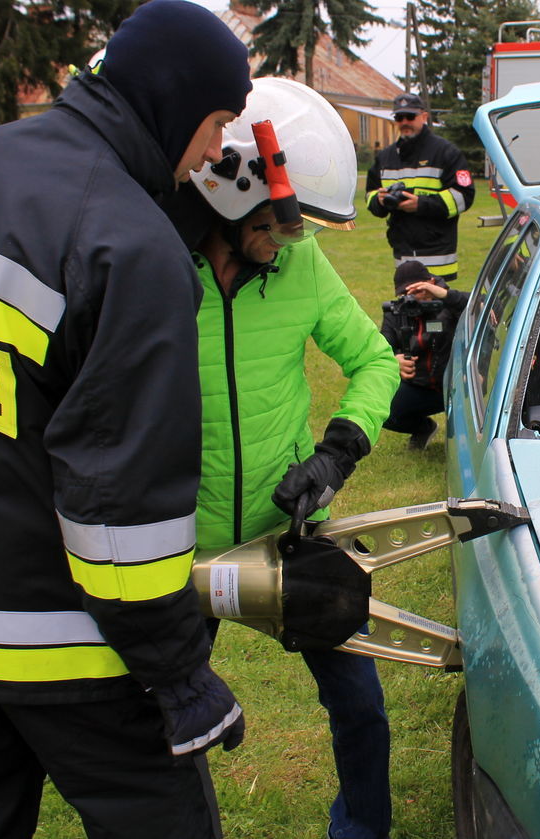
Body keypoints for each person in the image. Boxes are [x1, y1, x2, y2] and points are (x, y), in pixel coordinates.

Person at [0, 1, 253, 836]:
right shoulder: (129, 243)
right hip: (56, 641)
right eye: (218, 121)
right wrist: (180, 675)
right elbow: (122, 515)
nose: (219, 149)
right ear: (176, 102)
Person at [186, 77, 399, 839]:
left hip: (289, 530)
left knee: (362, 705)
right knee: (163, 723)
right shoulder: (154, 269)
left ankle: (363, 829)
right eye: (284, 225)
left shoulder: (297, 267)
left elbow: (376, 361)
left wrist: (335, 456)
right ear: (226, 191)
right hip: (178, 547)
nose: (293, 240)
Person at [366, 92, 474, 281]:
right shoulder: (385, 157)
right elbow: (370, 194)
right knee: (407, 307)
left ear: (424, 117)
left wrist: (421, 204)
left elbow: (464, 196)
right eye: (399, 117)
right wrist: (380, 200)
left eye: (410, 116)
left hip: (438, 253)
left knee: (439, 308)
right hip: (403, 252)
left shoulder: (445, 152)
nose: (405, 121)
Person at [380, 260, 469, 449]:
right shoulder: (397, 312)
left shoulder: (450, 304)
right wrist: (393, 360)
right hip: (421, 386)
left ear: (431, 283)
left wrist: (444, 295)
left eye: (417, 291)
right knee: (381, 407)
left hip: (458, 386)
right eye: (405, 294)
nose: (412, 299)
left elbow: (482, 306)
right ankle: (423, 428)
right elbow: (382, 346)